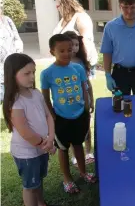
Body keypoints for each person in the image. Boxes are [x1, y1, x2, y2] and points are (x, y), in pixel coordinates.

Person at [41, 34, 96, 194]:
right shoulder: (47, 73)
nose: (67, 53)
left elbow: (84, 88)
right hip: (61, 118)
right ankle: (67, 178)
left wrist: (86, 107)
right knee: (63, 149)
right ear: (52, 52)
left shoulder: (78, 68)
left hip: (80, 116)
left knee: (78, 145)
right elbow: (45, 97)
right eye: (62, 50)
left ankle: (83, 172)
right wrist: (52, 115)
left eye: (69, 50)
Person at [2, 53, 56, 206]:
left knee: (38, 180)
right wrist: (46, 145)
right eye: (26, 73)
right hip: (26, 153)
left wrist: (51, 137)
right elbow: (25, 131)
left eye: (33, 72)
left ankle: (40, 202)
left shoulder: (36, 93)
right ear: (12, 75)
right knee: (30, 187)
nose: (32, 77)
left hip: (42, 147)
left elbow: (48, 116)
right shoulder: (15, 102)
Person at [63, 31, 95, 165]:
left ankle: (89, 152)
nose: (74, 48)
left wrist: (91, 99)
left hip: (84, 101)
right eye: (71, 45)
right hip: (69, 103)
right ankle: (75, 155)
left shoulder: (81, 62)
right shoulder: (62, 63)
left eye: (77, 45)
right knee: (72, 131)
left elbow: (87, 83)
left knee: (86, 128)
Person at [53, 0, 98, 79]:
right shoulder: (64, 19)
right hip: (66, 61)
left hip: (80, 62)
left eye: (58, 6)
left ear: (66, 4)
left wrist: (85, 62)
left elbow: (86, 40)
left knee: (82, 88)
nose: (57, 9)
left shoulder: (80, 17)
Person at [0, 0, 24, 103]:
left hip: (12, 67)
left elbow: (17, 39)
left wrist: (17, 54)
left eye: (1, 2)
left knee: (14, 100)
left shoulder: (7, 20)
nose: (1, 5)